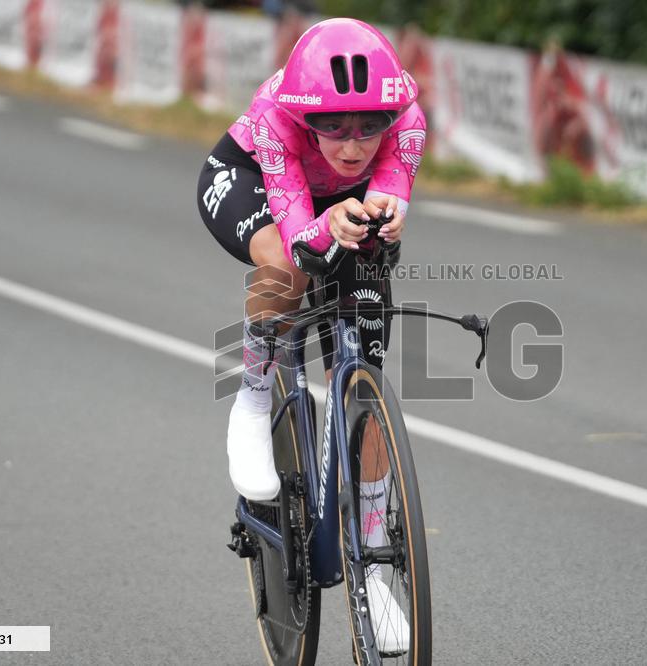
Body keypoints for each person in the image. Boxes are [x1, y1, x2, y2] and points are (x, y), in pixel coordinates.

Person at [196, 18, 425, 653]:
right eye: (332, 125)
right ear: (305, 116)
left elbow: (387, 196)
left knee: (366, 366)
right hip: (254, 182)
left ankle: (373, 561)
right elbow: (300, 232)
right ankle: (252, 399)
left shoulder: (408, 121)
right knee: (287, 267)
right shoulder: (276, 120)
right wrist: (328, 229)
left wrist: (383, 219)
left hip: (339, 202)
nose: (352, 144)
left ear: (391, 115)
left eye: (369, 125)